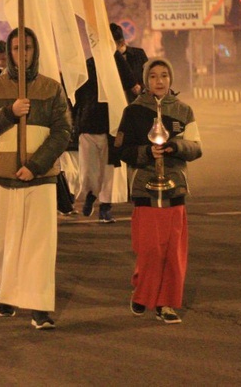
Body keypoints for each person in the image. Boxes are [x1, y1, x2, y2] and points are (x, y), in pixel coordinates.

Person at [0, 27, 72, 329]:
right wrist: (9, 112)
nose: (22, 53)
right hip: (1, 176)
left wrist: (37, 165)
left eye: (27, 47)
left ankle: (39, 306)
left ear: (35, 50)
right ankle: (7, 292)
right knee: (4, 241)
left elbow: (63, 132)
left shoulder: (52, 88)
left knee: (40, 244)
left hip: (40, 178)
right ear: (8, 52)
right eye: (16, 48)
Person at [113, 58, 202, 324]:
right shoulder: (133, 112)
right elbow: (120, 149)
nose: (159, 81)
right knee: (150, 249)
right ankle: (142, 294)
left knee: (173, 251)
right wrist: (145, 153)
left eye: (164, 75)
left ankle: (167, 303)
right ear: (146, 80)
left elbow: (197, 147)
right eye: (153, 76)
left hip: (175, 189)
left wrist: (176, 147)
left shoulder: (184, 111)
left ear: (171, 79)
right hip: (145, 190)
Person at [73, 56, 118, 222]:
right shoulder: (87, 66)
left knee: (108, 171)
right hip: (87, 126)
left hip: (109, 128)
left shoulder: (115, 65)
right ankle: (91, 195)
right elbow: (77, 97)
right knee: (88, 172)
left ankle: (105, 207)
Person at [111, 23, 147, 103]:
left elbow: (149, 77)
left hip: (137, 102)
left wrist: (141, 88)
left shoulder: (139, 54)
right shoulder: (107, 59)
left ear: (122, 42)